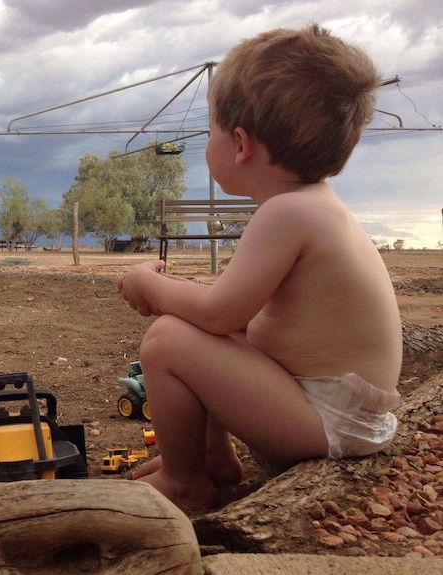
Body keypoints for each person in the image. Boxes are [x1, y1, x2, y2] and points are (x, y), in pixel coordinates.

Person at [116, 24, 402, 512]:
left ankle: (186, 484)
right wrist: (182, 297)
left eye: (210, 131)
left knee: (167, 339)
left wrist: (148, 283)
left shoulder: (287, 213)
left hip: (331, 421)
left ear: (242, 145)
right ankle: (213, 462)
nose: (208, 143)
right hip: (341, 411)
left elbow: (216, 315)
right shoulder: (313, 205)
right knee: (200, 333)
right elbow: (232, 312)